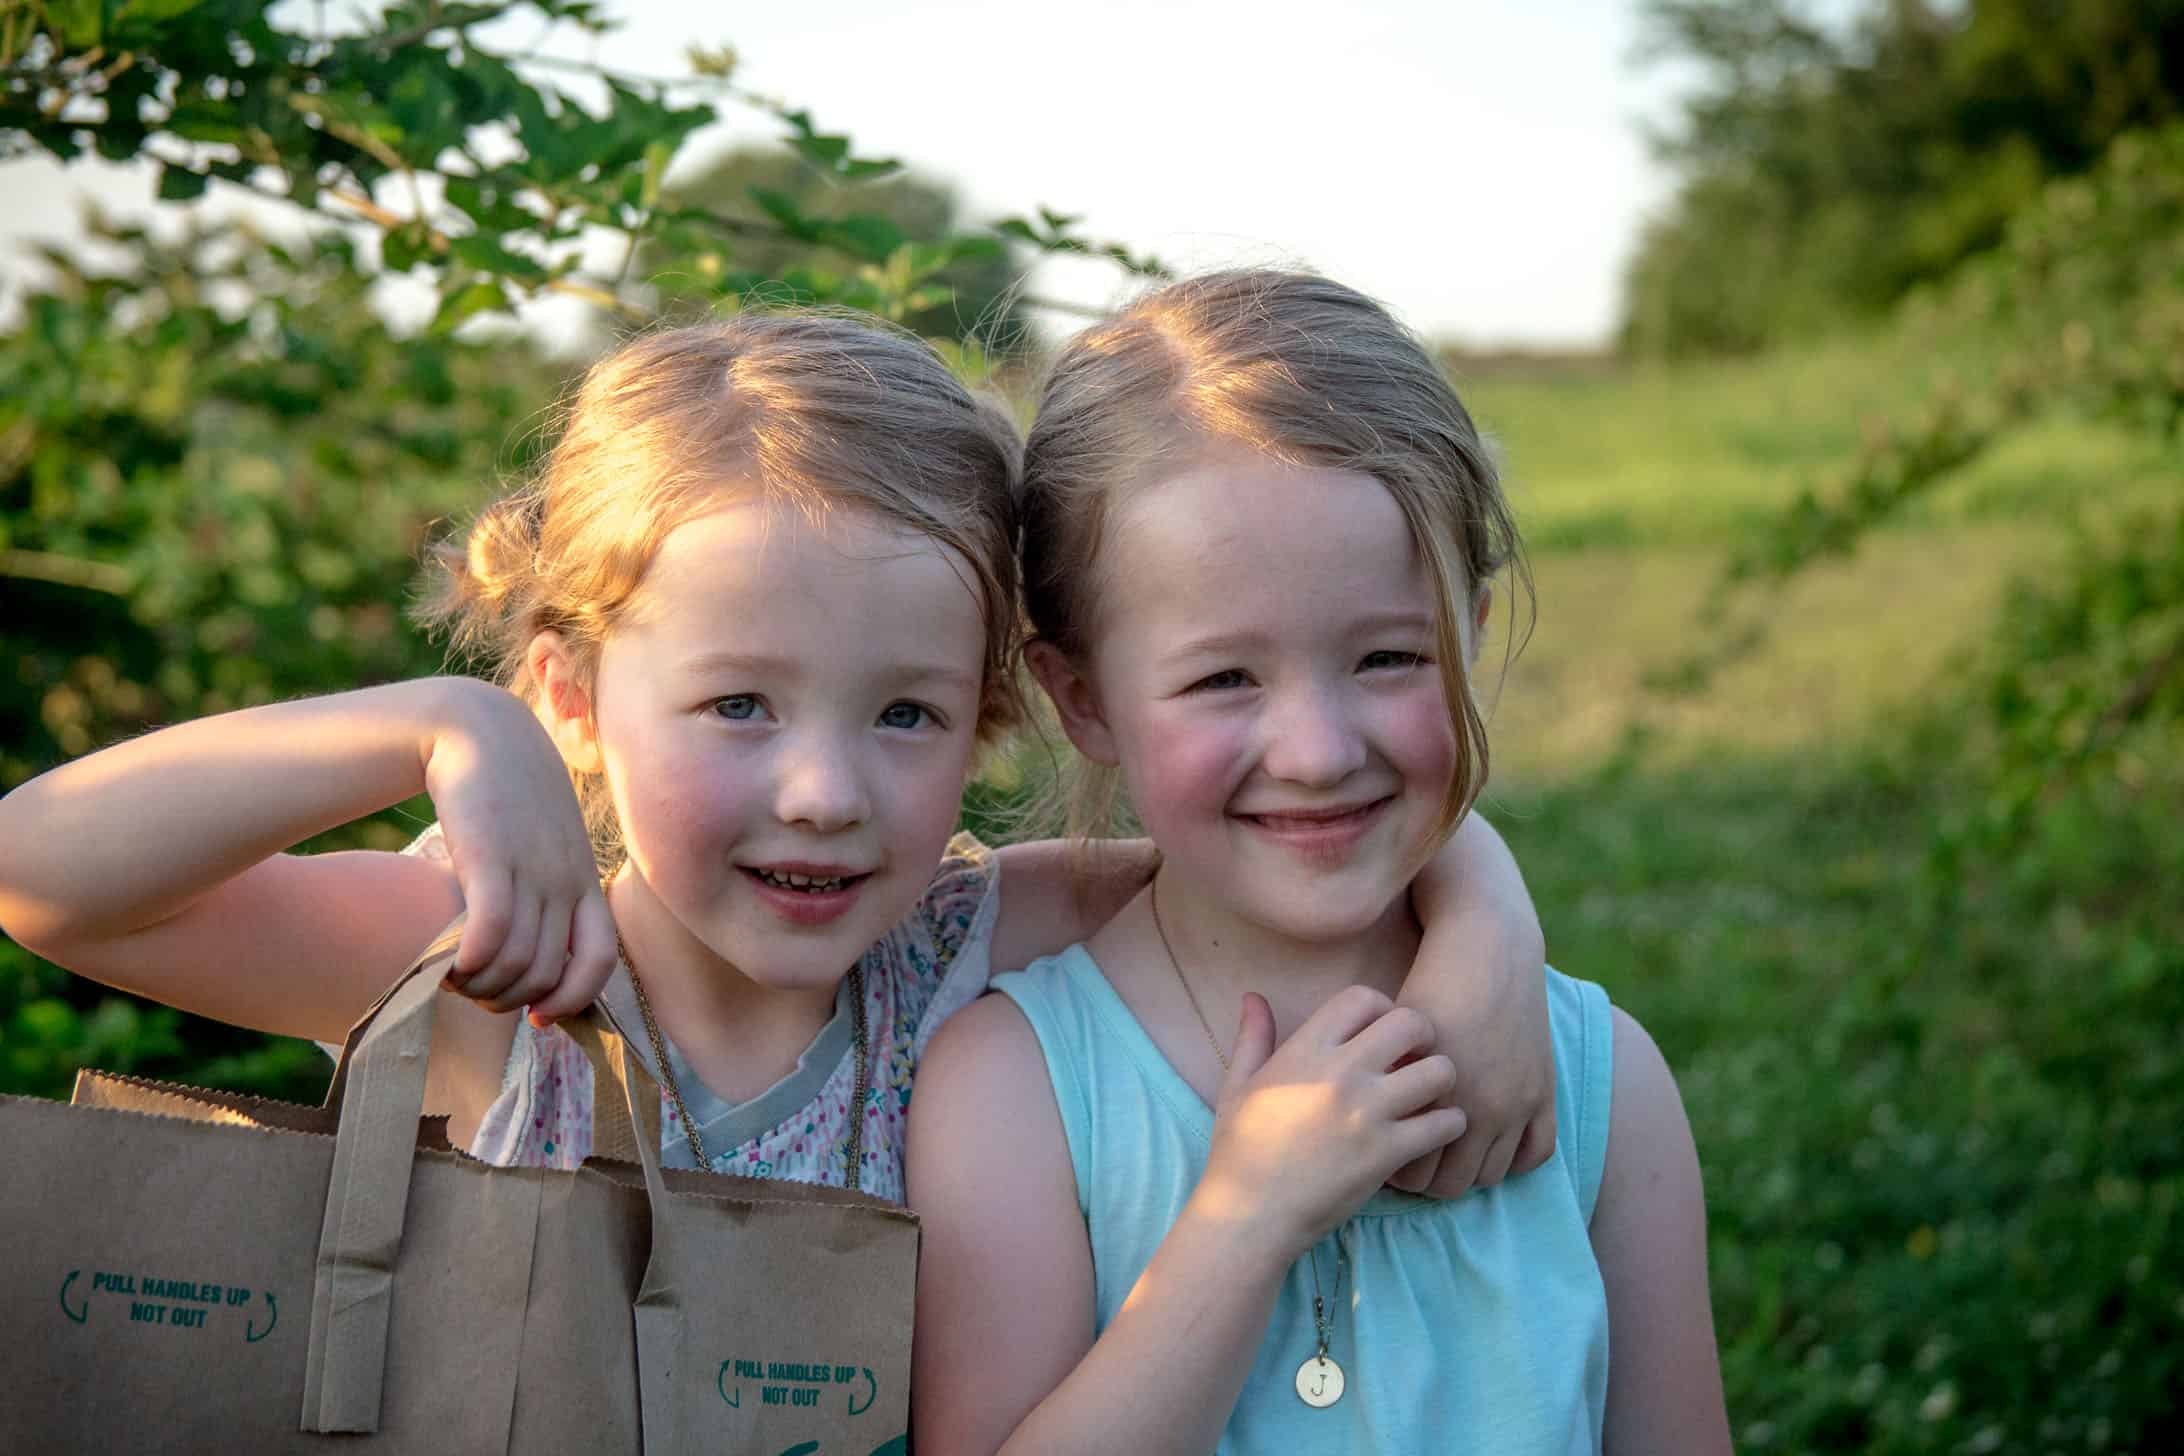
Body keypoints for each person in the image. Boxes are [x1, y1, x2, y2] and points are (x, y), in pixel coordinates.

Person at [0, 310, 1553, 1201]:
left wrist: (1486, 939)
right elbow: (46, 877)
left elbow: (1282, 839)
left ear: (995, 707)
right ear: (574, 693)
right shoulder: (501, 967)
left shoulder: (957, 947)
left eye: (905, 713)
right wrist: (438, 721)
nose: (826, 789)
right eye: (741, 705)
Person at [908, 270, 1732, 1452]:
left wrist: (1484, 902)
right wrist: (1250, 1216)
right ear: (1082, 698)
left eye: (1390, 658)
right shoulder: (1013, 1090)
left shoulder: (1600, 1085)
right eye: (1224, 678)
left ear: (1470, 635)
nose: (1317, 751)